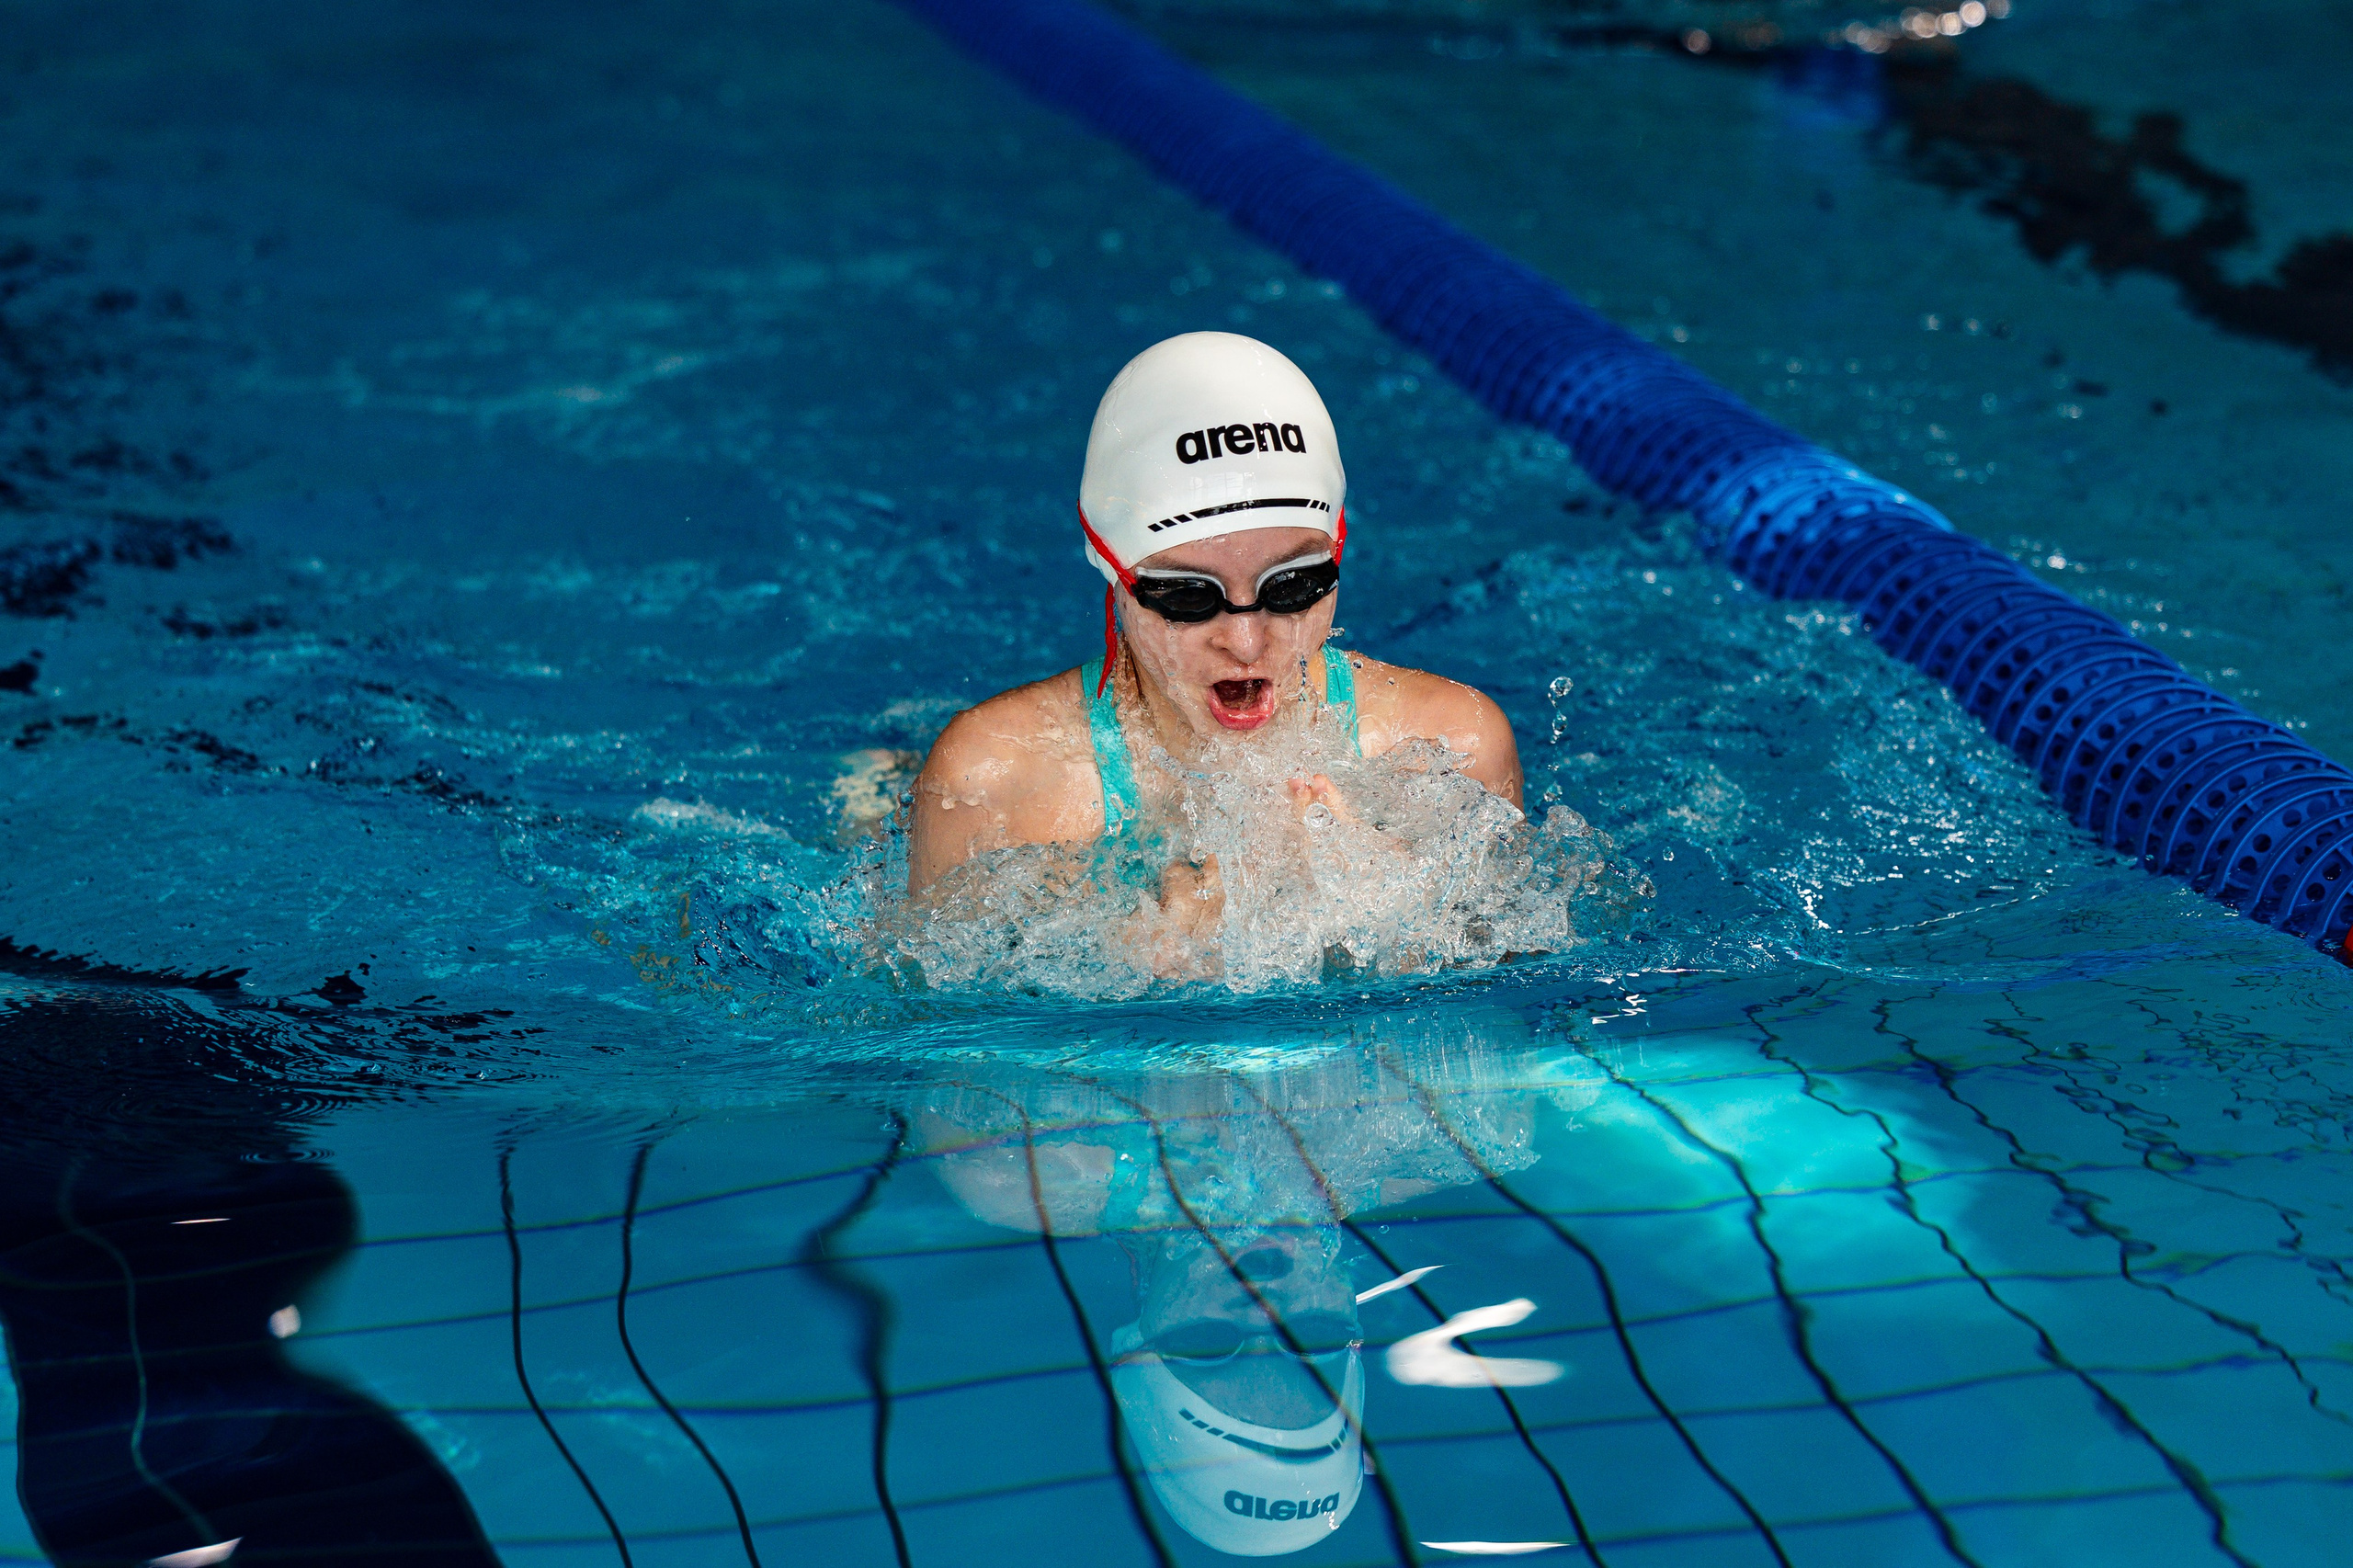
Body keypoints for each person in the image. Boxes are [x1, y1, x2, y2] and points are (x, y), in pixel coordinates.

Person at [908, 333, 1522, 900]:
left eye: (1292, 586)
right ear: (1111, 569)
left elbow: (1517, 1000)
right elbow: (921, 1011)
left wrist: (1384, 905)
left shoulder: (1451, 750)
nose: (1247, 641)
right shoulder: (999, 783)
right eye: (1188, 597)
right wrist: (1153, 966)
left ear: (1338, 548)